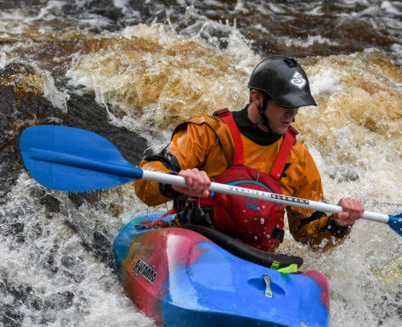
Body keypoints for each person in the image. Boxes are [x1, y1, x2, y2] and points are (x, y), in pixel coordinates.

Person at [135, 56, 364, 253]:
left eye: (297, 106)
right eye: (285, 105)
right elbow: (146, 179)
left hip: (254, 258)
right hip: (193, 241)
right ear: (257, 98)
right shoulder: (208, 133)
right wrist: (177, 183)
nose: (292, 114)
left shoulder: (298, 158)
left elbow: (309, 234)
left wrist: (337, 223)